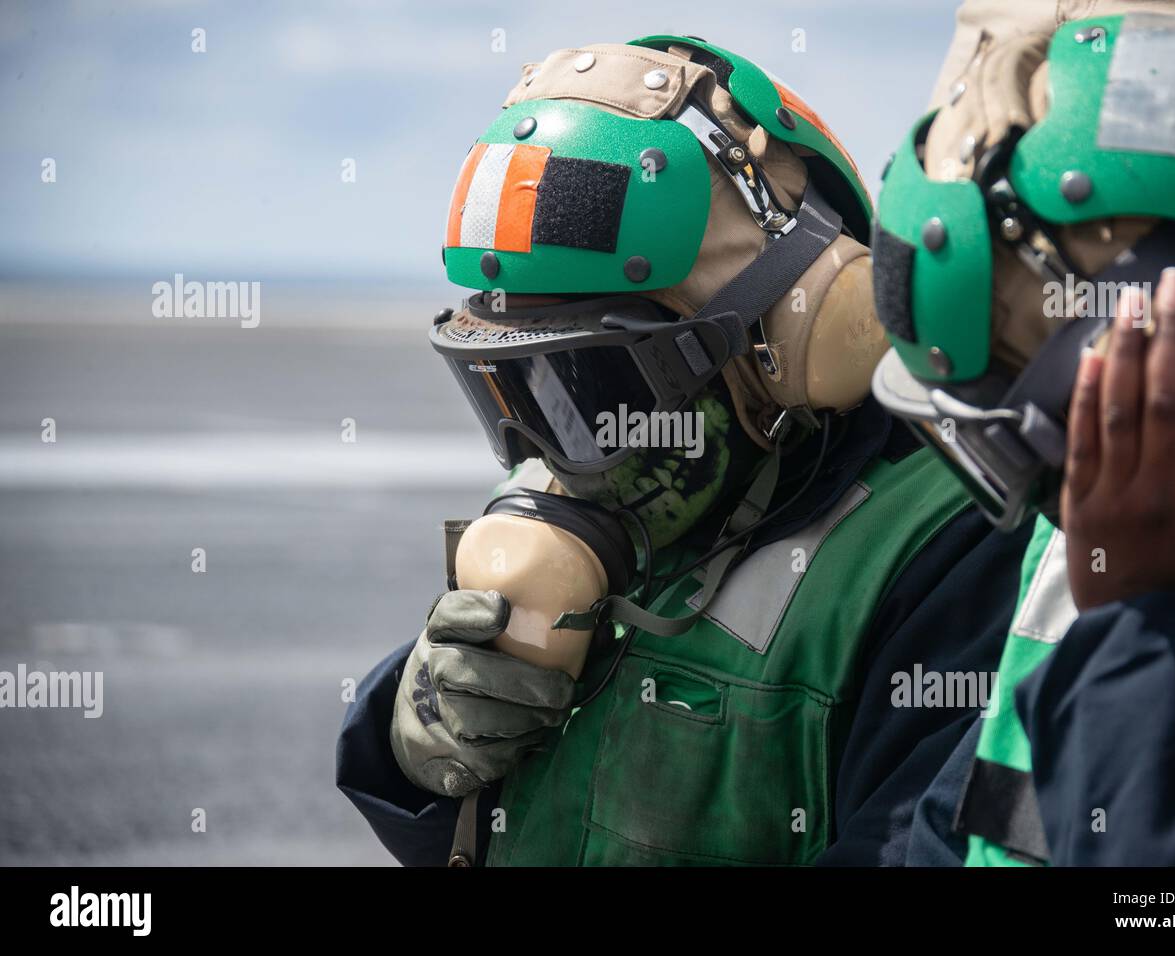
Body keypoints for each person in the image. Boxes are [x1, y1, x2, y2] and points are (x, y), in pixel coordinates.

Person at [336, 36, 1030, 867]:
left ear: (794, 343)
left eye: (593, 388)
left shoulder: (946, 558)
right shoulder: (610, 503)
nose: (549, 454)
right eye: (519, 394)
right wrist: (409, 740)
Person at [870, 4, 1175, 864]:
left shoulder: (1139, 566)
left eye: (1059, 438)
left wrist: (1159, 631)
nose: (1075, 510)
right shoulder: (1099, 554)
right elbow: (953, 832)